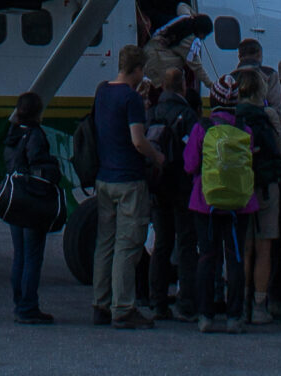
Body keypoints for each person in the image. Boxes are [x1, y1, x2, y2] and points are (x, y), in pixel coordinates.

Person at [184, 72, 263, 332]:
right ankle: (234, 317)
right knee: (235, 258)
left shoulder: (202, 129)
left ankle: (205, 315)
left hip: (205, 202)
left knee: (206, 257)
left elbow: (190, 165)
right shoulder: (245, 130)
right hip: (239, 204)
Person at [90, 43, 162, 328]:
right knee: (128, 244)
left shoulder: (103, 92)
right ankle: (123, 308)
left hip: (104, 177)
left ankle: (101, 303)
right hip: (128, 179)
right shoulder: (129, 99)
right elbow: (137, 140)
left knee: (105, 243)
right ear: (138, 69)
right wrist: (157, 156)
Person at [231, 39, 281, 321]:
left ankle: (239, 301)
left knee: (244, 243)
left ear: (239, 56)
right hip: (266, 181)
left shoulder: (228, 81)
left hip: (237, 179)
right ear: (260, 54)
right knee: (264, 243)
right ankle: (259, 304)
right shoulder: (271, 76)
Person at [147, 67, 201, 320]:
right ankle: (186, 301)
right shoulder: (187, 115)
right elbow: (193, 153)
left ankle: (157, 301)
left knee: (161, 244)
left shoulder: (152, 112)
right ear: (183, 87)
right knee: (187, 244)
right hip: (182, 187)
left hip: (158, 186)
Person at [2, 92, 56, 326]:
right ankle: (28, 306)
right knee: (33, 255)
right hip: (31, 198)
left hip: (15, 197)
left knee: (20, 255)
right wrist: (53, 167)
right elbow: (38, 164)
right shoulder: (34, 135)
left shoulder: (12, 135)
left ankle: (20, 302)